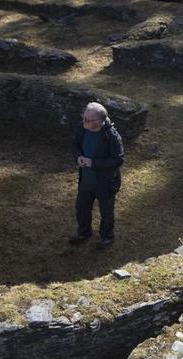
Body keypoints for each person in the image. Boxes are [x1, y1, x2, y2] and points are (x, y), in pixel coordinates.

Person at [70, 102, 125, 250]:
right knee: (81, 208)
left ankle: (107, 237)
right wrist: (79, 157)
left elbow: (118, 160)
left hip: (105, 182)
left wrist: (93, 163)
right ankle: (84, 232)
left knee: (106, 212)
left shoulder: (111, 136)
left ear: (99, 121)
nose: (84, 122)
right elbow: (75, 146)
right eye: (84, 118)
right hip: (86, 180)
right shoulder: (82, 127)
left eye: (88, 120)